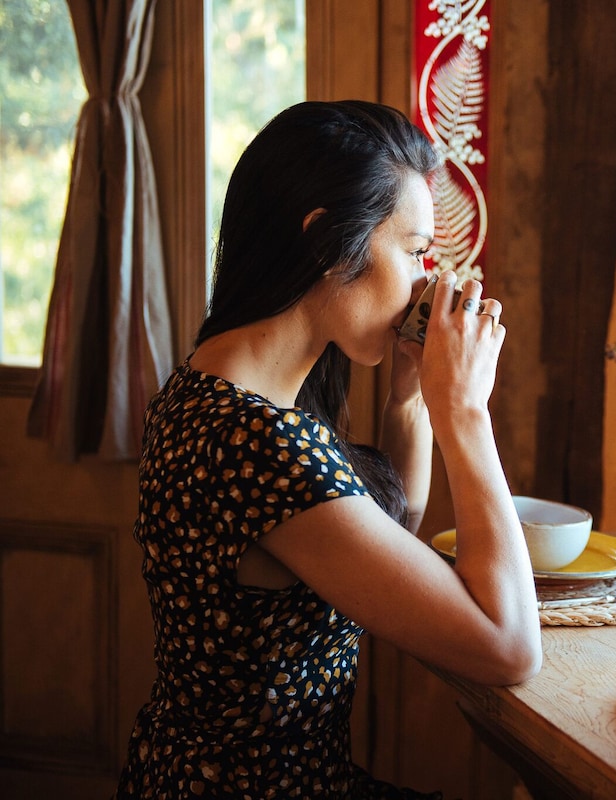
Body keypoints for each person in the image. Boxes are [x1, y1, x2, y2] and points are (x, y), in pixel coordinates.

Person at [115, 100, 542, 799]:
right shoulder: (258, 441)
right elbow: (508, 648)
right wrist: (463, 411)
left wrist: (409, 398)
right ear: (325, 242)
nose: (422, 279)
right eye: (413, 251)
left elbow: (378, 544)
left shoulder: (208, 390)